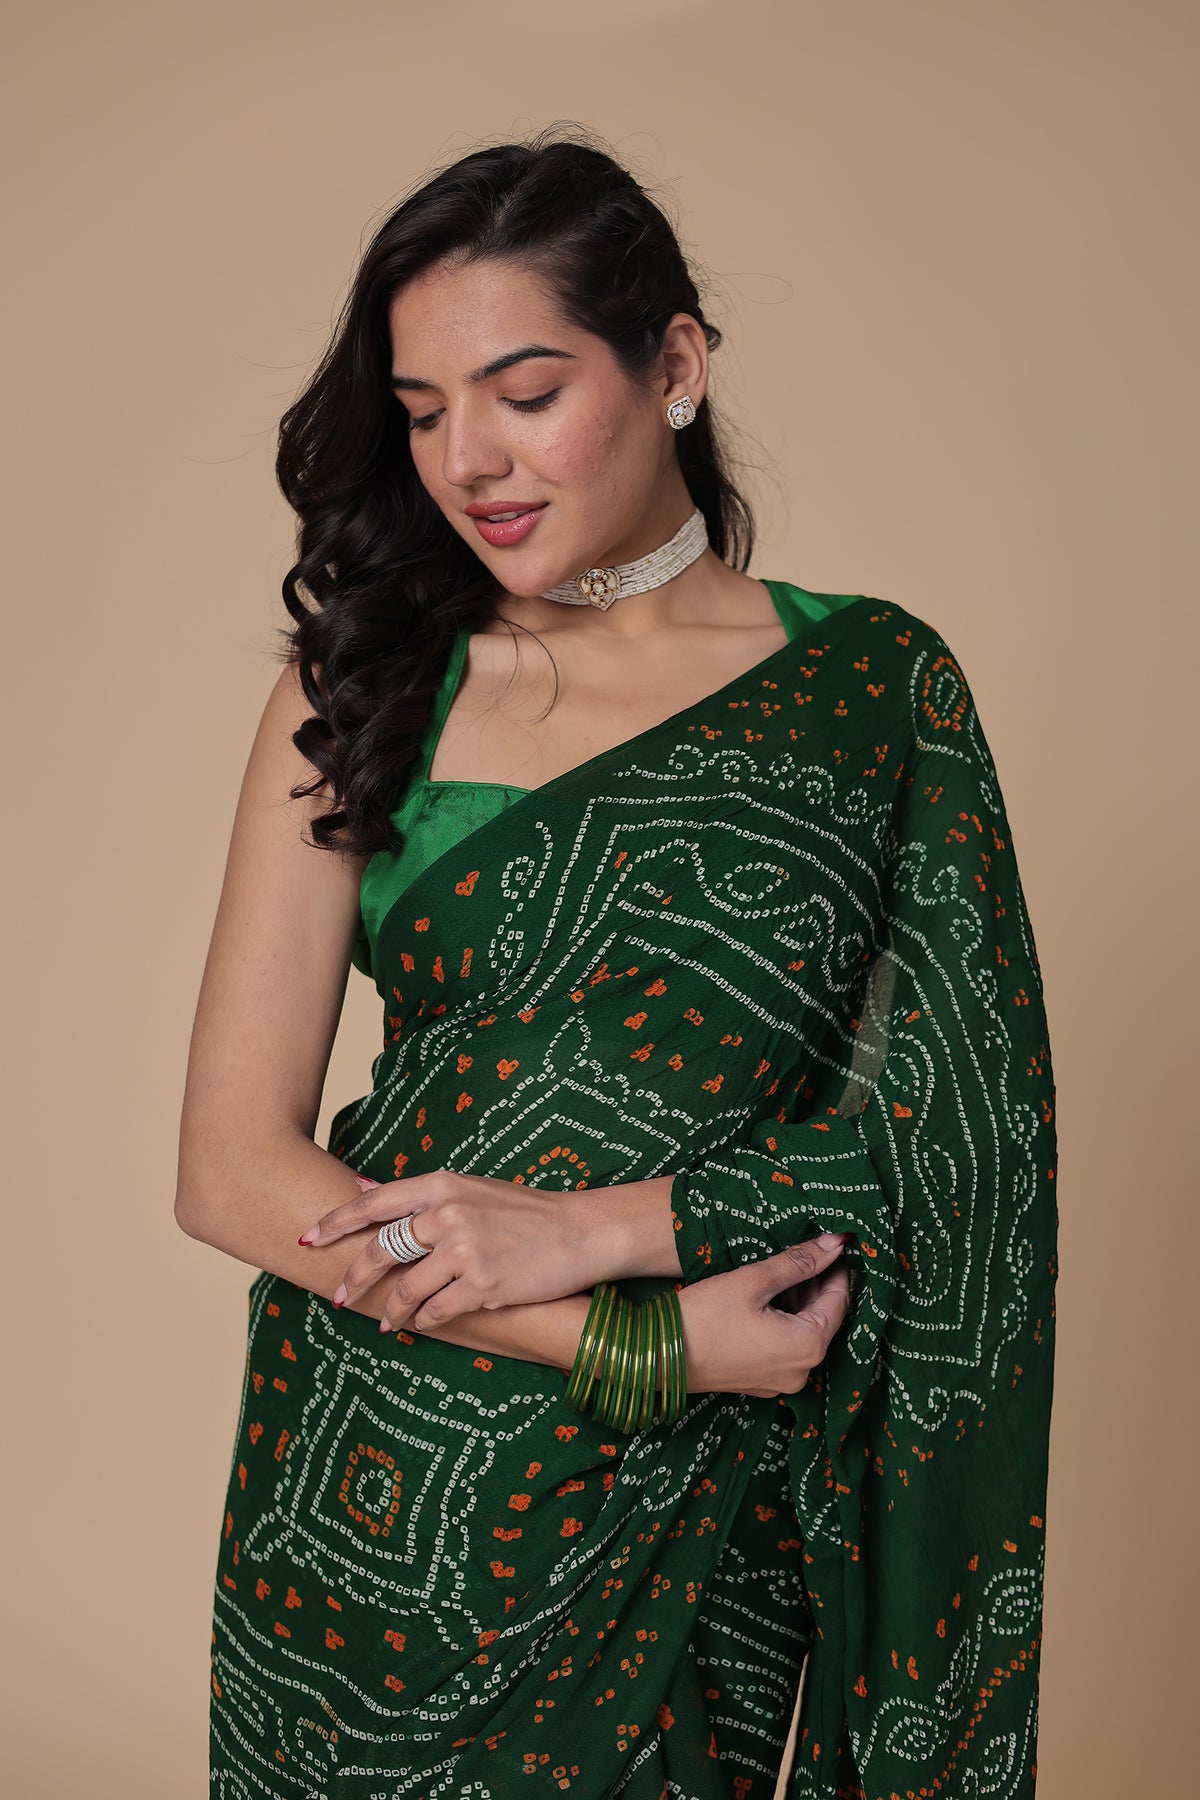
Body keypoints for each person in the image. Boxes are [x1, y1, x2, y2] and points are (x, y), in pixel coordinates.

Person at [177, 129, 1058, 1800]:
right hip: (378, 1486)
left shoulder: (875, 689)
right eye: (421, 412)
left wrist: (607, 1231)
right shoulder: (363, 685)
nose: (469, 461)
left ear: (675, 367)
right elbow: (230, 1171)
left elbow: (966, 1147)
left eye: (523, 393)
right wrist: (631, 1338)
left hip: (705, 1497)